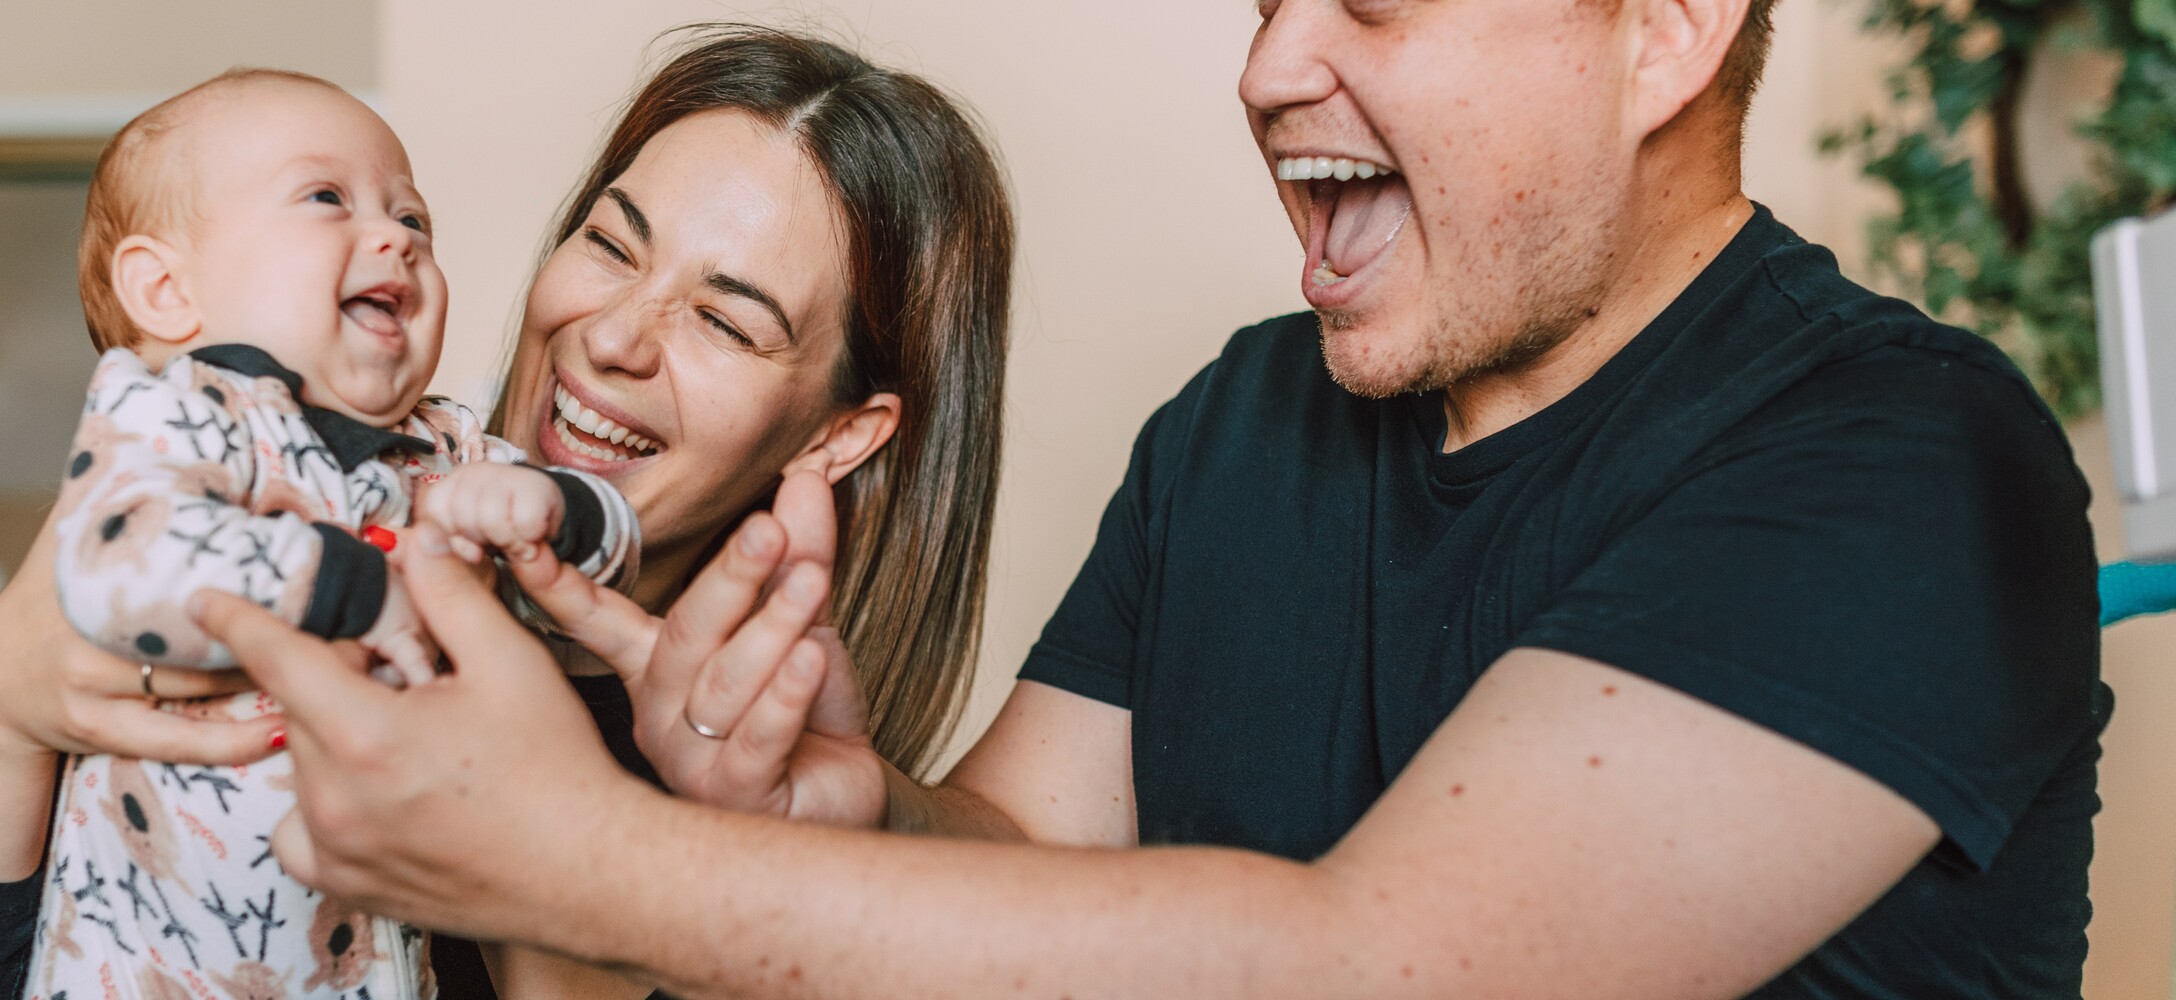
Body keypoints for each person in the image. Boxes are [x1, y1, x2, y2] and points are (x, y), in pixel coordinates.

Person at [199, 0, 2105, 996]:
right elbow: (1028, 872)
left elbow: (1387, 974)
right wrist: (844, 817)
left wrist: (575, 867)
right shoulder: (1248, 422)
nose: (1273, 64)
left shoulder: (1902, 460)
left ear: (1665, 31)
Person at [0, 28, 1013, 999]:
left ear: (838, 434)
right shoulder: (208, 459)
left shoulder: (763, 797)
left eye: (725, 319)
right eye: (610, 244)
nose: (611, 339)